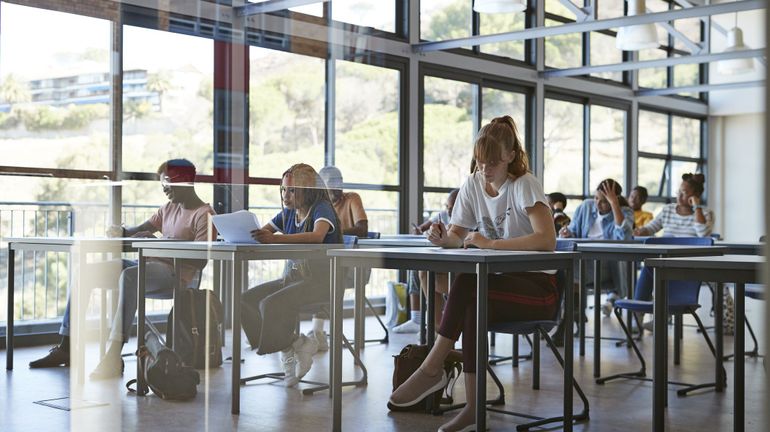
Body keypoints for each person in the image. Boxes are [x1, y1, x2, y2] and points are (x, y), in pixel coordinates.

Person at [389, 115, 557, 432]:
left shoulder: (524, 185)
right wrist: (442, 239)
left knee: (469, 284)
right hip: (496, 287)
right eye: (480, 163)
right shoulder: (472, 184)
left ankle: (432, 368)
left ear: (510, 156)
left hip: (539, 289)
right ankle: (473, 409)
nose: (485, 170)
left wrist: (491, 242)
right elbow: (457, 235)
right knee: (472, 303)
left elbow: (547, 240)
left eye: (492, 162)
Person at [29, 159, 217, 380]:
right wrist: (123, 230)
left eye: (167, 183)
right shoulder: (168, 209)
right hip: (147, 267)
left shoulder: (205, 214)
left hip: (177, 276)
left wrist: (157, 244)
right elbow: (141, 229)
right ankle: (66, 346)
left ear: (184, 181)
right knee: (86, 272)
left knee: (129, 277)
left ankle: (112, 356)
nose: (164, 190)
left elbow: (200, 261)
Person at [240, 163, 341, 387]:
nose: (286, 195)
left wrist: (274, 238)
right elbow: (265, 232)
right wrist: (246, 233)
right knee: (246, 299)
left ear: (309, 191)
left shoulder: (321, 208)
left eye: (292, 190)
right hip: (295, 279)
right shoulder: (288, 214)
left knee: (271, 303)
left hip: (322, 281)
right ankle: (293, 344)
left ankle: (289, 345)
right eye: (284, 190)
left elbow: (317, 236)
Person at [308, 165, 369, 350]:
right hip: (328, 264)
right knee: (309, 271)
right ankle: (315, 331)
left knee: (328, 273)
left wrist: (331, 232)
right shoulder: (318, 206)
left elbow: (362, 229)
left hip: (354, 267)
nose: (336, 188)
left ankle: (318, 331)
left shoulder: (351, 198)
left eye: (339, 183)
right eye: (331, 184)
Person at [560, 179, 634, 316]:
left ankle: (569, 317)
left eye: (604, 201)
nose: (598, 204)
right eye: (596, 198)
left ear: (615, 200)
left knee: (566, 271)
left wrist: (614, 205)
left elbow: (624, 239)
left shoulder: (625, 212)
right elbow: (573, 229)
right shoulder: (586, 207)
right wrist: (568, 233)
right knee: (566, 269)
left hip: (606, 266)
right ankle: (571, 316)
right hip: (582, 260)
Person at [393, 189, 459, 333]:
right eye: (447, 207)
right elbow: (423, 227)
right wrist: (421, 231)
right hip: (445, 258)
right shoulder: (442, 215)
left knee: (424, 269)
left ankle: (433, 327)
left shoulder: (464, 218)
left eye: (453, 208)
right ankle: (424, 322)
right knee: (420, 267)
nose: (449, 211)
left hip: (458, 265)